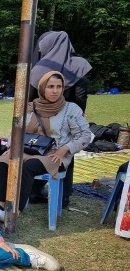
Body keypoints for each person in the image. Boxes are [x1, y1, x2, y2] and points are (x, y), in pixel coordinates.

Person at [0, 71, 92, 220]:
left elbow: (85, 135)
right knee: (3, 162)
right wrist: (12, 148)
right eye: (50, 86)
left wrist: (65, 149)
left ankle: (14, 213)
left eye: (59, 87)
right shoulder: (29, 107)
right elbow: (16, 131)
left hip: (54, 155)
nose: (55, 91)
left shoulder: (70, 109)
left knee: (27, 167)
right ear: (42, 88)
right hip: (28, 149)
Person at [29, 31, 92, 208]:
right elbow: (81, 96)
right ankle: (63, 196)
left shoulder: (40, 68)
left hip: (42, 119)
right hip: (70, 118)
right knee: (67, 154)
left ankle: (34, 191)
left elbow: (30, 98)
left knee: (39, 150)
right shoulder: (79, 65)